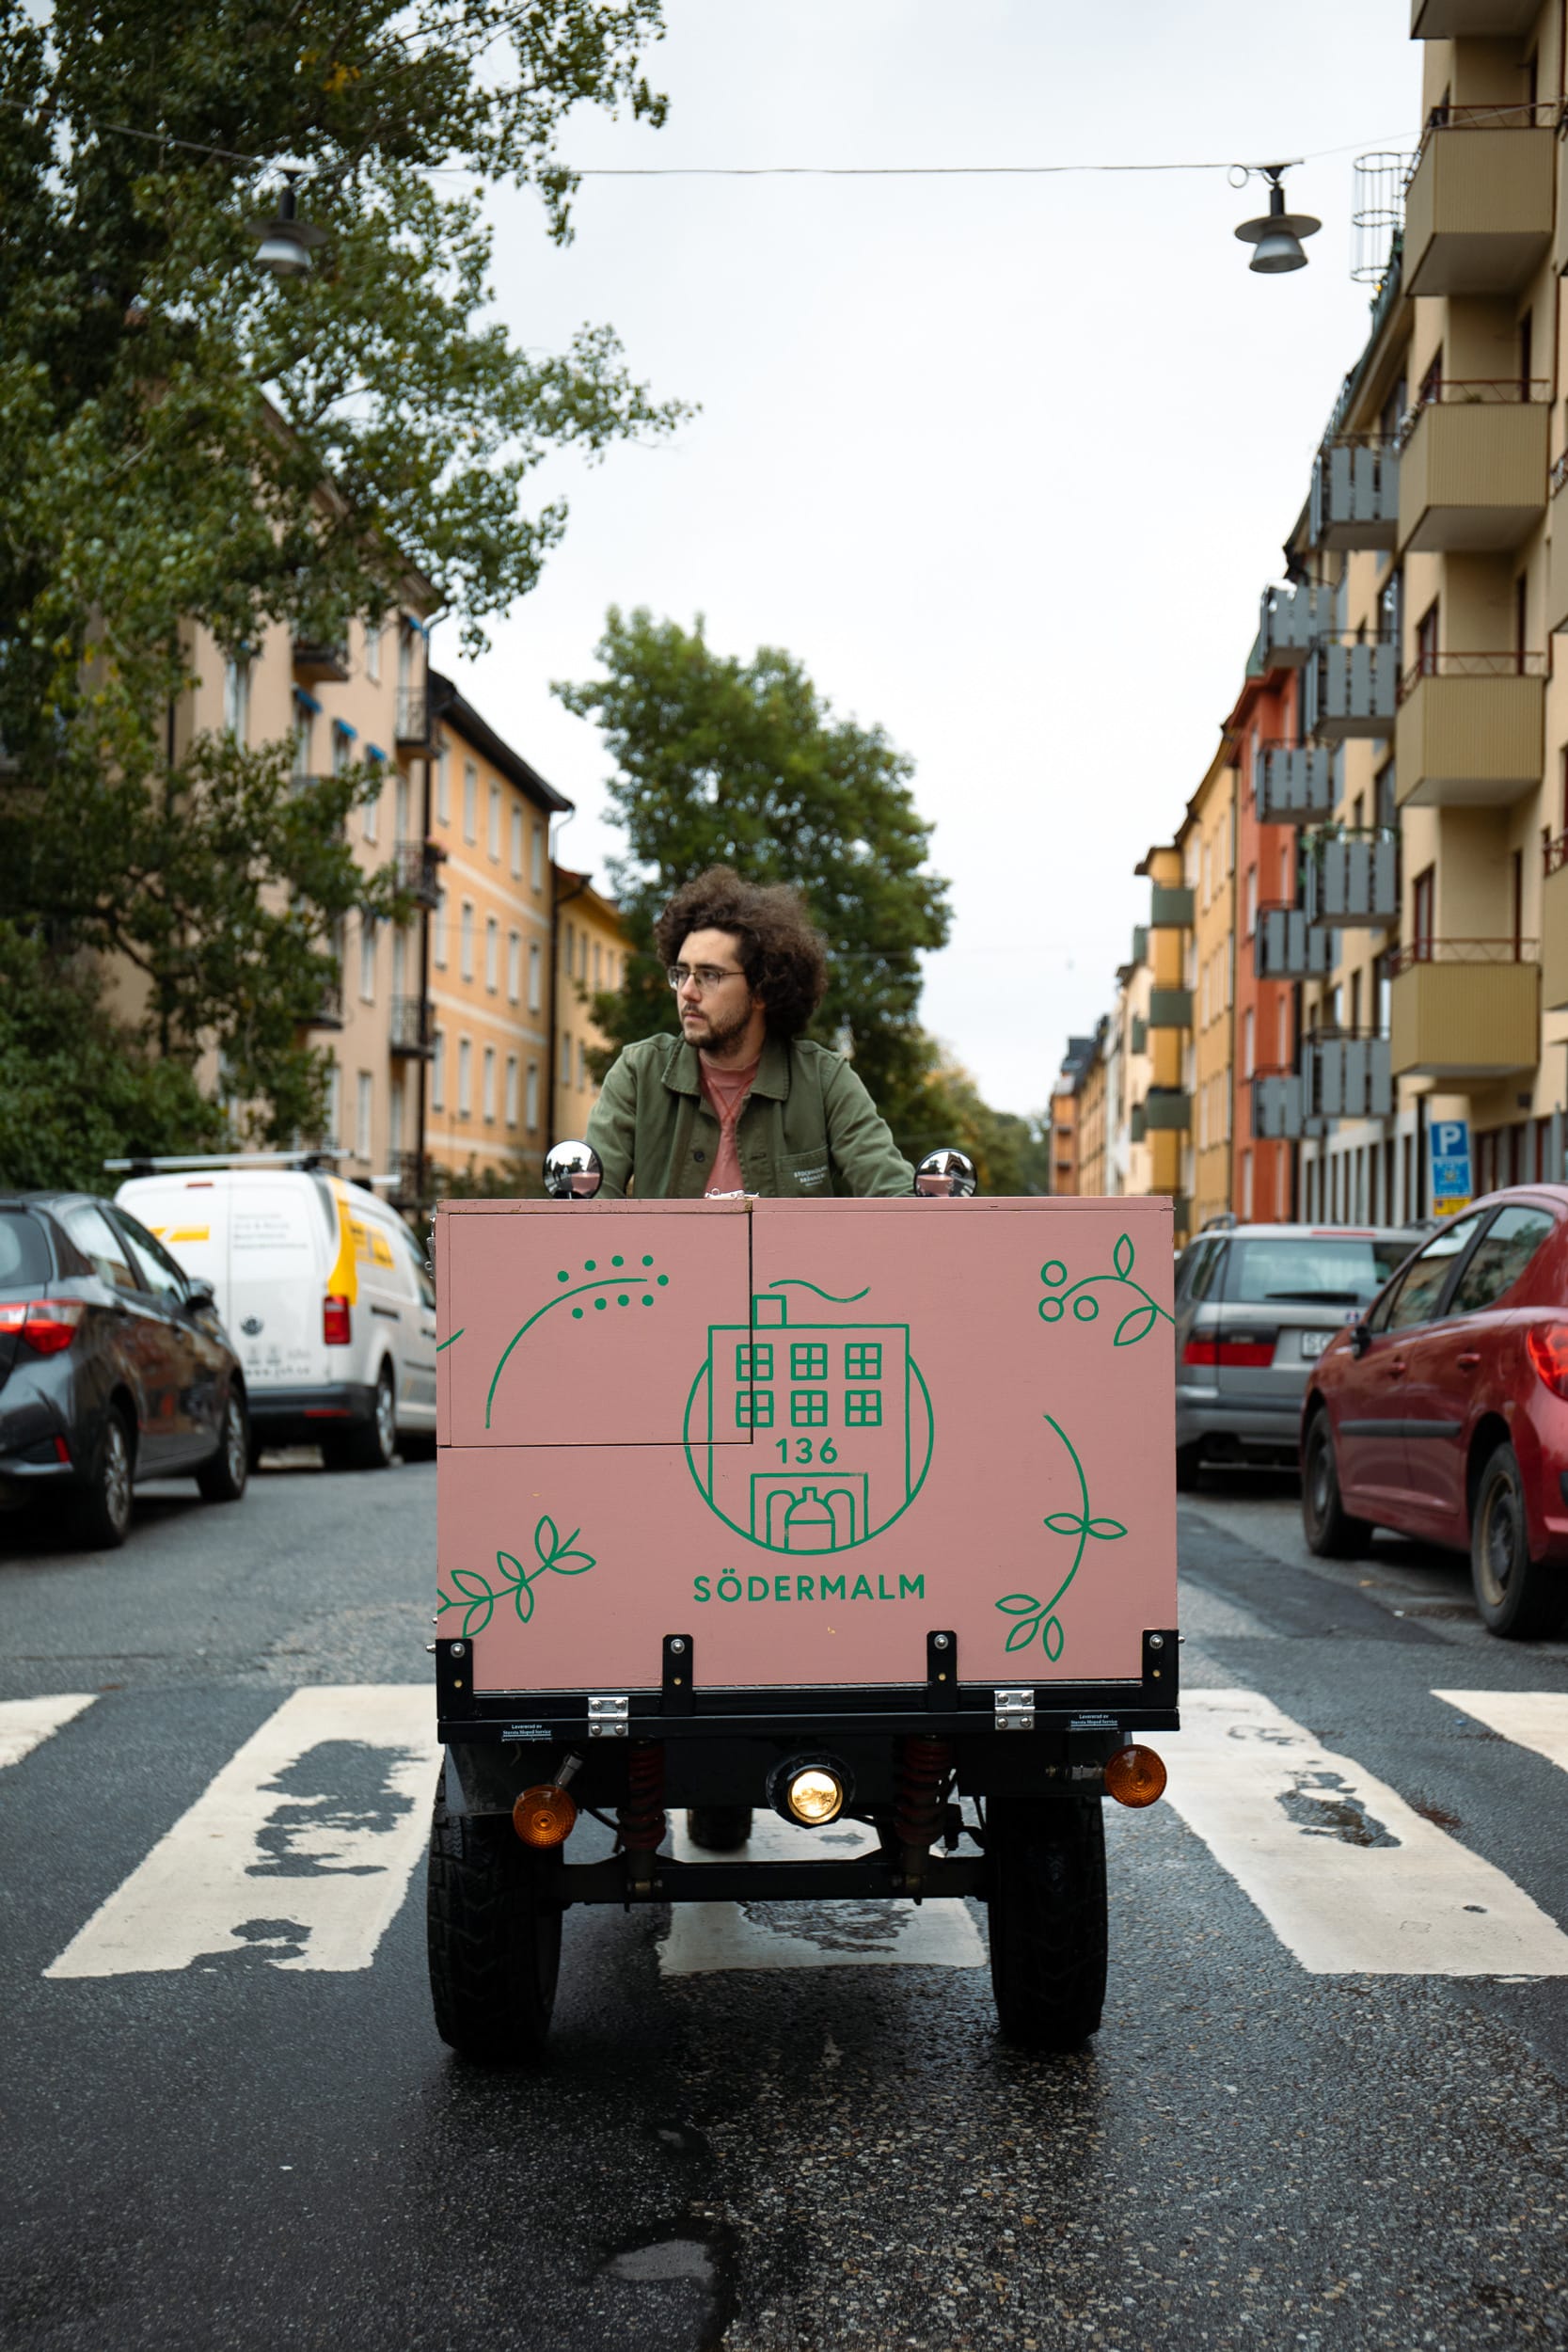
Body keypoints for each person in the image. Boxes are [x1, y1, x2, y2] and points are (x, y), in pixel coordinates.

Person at [584, 867, 914, 1199]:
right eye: (681, 973)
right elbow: (588, 1200)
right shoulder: (639, 1072)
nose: (686, 991)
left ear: (761, 990)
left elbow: (894, 1192)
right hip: (663, 1254)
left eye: (709, 975)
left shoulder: (823, 1080)